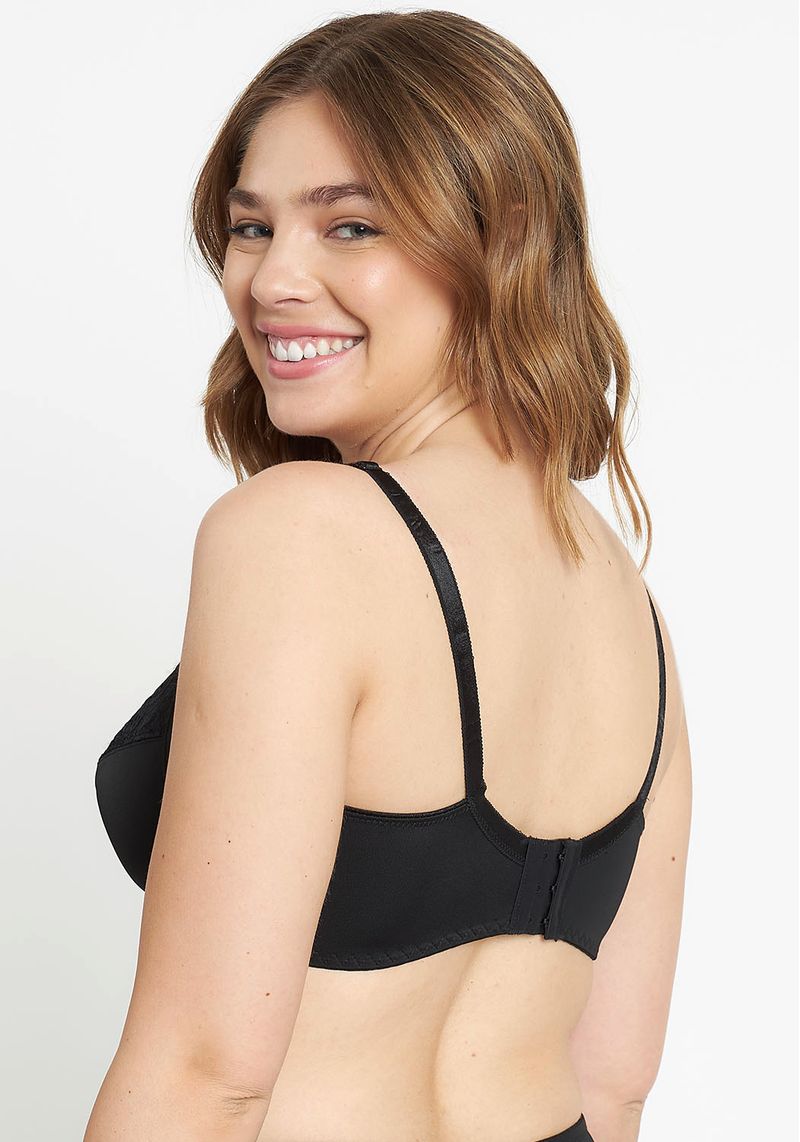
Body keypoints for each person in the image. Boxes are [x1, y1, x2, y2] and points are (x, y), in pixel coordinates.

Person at [85, 10, 692, 1142]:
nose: (273, 279)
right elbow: (612, 1081)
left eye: (350, 225)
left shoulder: (297, 537)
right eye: (251, 227)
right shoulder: (626, 605)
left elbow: (204, 1071)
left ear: (499, 239)